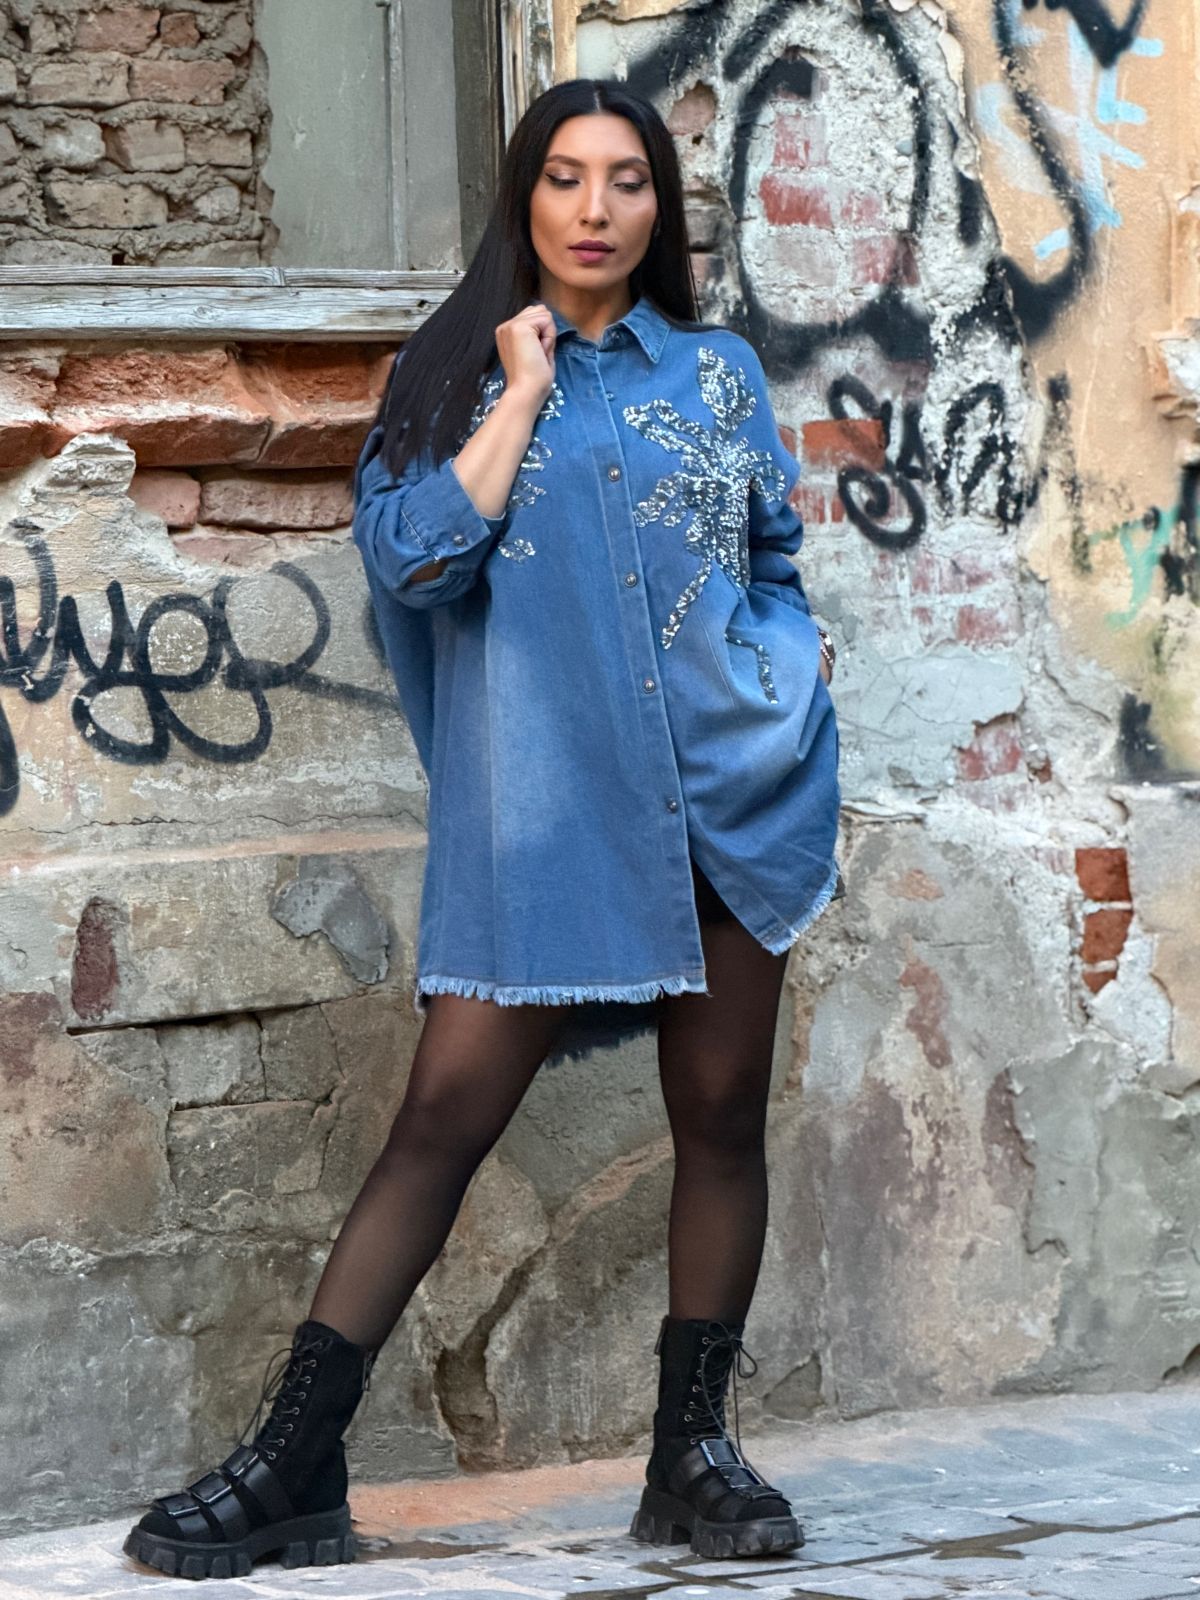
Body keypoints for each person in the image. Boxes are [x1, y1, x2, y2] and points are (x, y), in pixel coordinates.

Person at [123, 78, 839, 1582]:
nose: (596, 209)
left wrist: (787, 682)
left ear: (660, 207)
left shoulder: (715, 374)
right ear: (524, 196)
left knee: (720, 1118)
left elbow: (772, 558)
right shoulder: (449, 375)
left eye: (628, 180)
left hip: (730, 802)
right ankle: (293, 1462)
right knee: (442, 1121)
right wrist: (516, 395)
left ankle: (691, 1458)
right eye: (566, 177)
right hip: (548, 818)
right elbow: (412, 562)